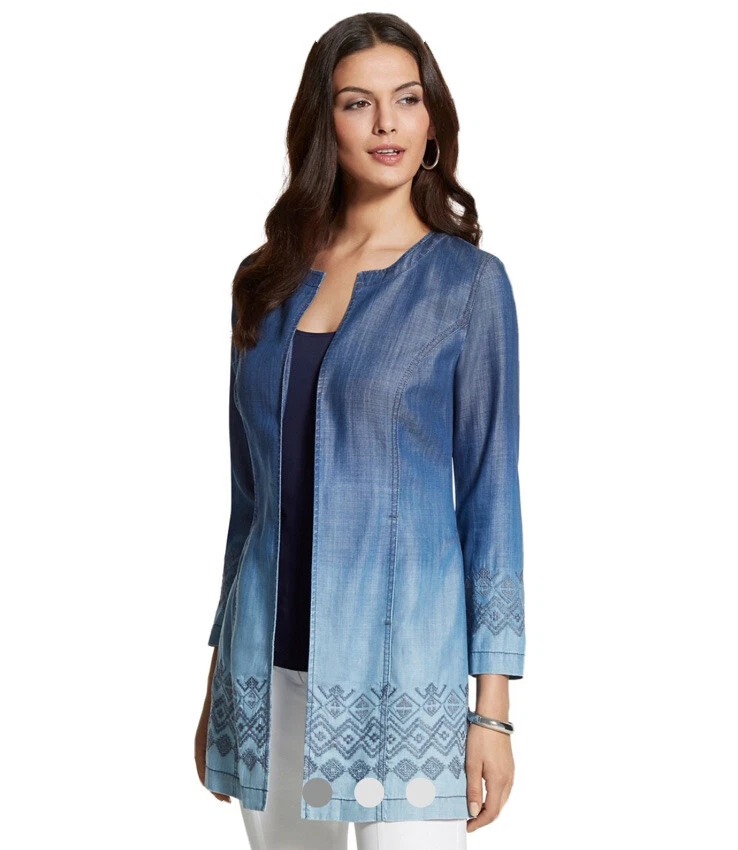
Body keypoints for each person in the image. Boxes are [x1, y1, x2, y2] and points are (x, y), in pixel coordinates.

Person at [194, 12, 526, 850]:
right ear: (323, 123)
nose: (386, 124)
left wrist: (491, 712)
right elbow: (247, 503)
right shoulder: (264, 283)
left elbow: (491, 501)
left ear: (432, 120)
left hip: (404, 681)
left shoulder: (467, 286)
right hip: (266, 676)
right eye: (357, 103)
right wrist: (216, 679)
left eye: (407, 99)